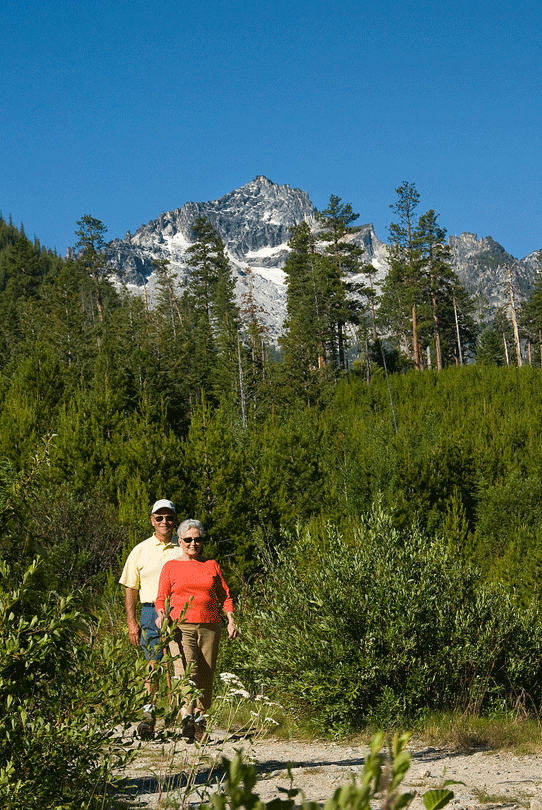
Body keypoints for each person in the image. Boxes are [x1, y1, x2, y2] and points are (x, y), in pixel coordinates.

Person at [155, 518, 238, 743]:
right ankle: (187, 718)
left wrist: (231, 619)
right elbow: (161, 598)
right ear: (180, 541)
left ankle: (200, 723)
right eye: (189, 539)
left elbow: (225, 596)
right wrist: (161, 615)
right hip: (180, 626)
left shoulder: (211, 565)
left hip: (210, 625)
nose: (193, 544)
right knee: (186, 672)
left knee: (205, 675)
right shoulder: (170, 567)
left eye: (198, 539)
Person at [119, 499, 184, 738]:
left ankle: (182, 718)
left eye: (169, 517)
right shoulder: (140, 550)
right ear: (152, 521)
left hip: (180, 613)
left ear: (175, 520)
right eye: (159, 518)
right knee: (152, 666)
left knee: (180, 665)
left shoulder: (184, 547)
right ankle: (149, 718)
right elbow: (130, 587)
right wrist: (131, 622)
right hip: (148, 613)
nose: (164, 522)